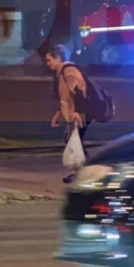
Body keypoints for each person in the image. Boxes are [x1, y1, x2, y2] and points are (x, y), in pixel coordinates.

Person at [40, 44, 88, 184]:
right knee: (74, 143)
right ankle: (82, 173)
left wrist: (77, 111)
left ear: (58, 58)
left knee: (75, 143)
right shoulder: (62, 72)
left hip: (78, 115)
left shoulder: (69, 71)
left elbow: (79, 91)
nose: (48, 64)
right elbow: (65, 97)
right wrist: (58, 113)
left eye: (49, 60)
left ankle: (85, 173)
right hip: (72, 114)